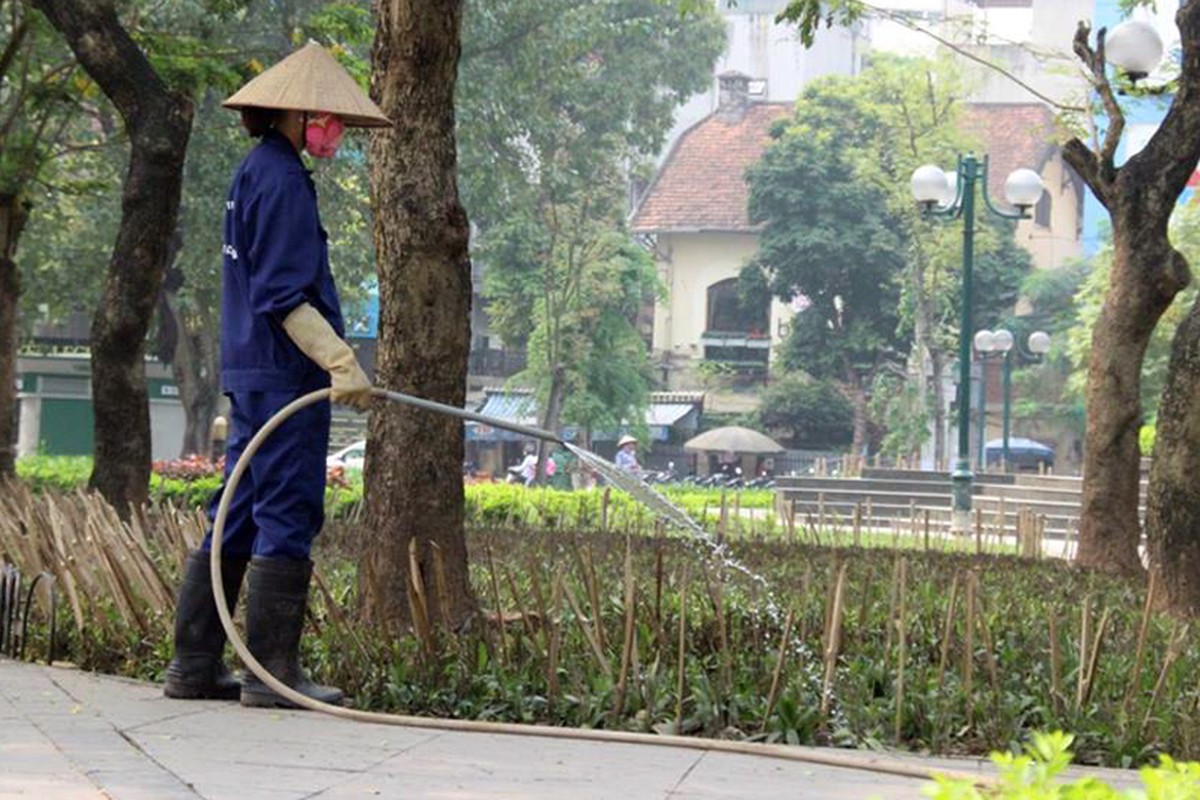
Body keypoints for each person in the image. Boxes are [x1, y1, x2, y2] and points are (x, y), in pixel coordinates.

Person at [162, 43, 390, 709]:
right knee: (286, 509)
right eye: (327, 116)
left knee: (235, 511)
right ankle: (273, 674)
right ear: (295, 112)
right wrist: (341, 360)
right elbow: (285, 292)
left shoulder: (253, 170)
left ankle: (195, 663)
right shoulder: (283, 178)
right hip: (285, 374)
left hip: (251, 369)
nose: (334, 130)